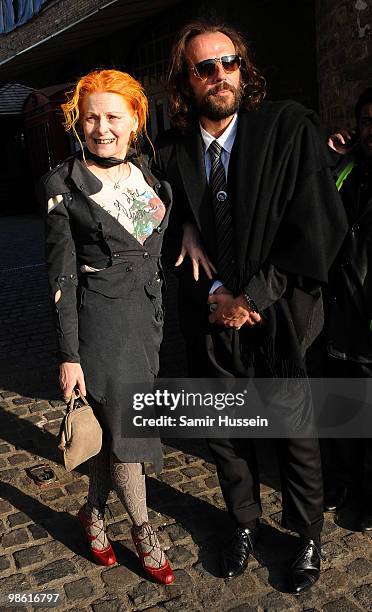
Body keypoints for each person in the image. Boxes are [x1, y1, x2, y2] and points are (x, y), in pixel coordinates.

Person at [155, 20, 348, 593]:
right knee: (225, 429)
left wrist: (251, 297)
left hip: (276, 312)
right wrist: (197, 258)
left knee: (294, 430)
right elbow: (146, 222)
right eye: (204, 67)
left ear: (244, 68)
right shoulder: (170, 153)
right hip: (210, 315)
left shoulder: (287, 130)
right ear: (184, 82)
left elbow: (317, 227)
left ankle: (306, 533)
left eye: (229, 62)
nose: (220, 75)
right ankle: (243, 520)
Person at [40, 69, 191, 584]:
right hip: (100, 328)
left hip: (147, 326)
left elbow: (163, 229)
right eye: (90, 118)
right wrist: (69, 355)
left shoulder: (149, 177)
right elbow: (59, 276)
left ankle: (92, 515)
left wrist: (187, 234)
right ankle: (144, 530)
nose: (101, 128)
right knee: (130, 434)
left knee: (111, 431)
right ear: (77, 123)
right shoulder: (64, 185)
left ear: (134, 121)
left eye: (113, 117)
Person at [321, 88, 372, 531]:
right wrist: (332, 155)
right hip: (339, 311)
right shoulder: (345, 171)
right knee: (344, 410)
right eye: (368, 121)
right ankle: (343, 481)